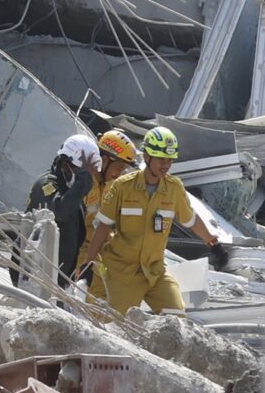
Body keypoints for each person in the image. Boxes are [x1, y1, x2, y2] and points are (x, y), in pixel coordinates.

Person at [74, 126, 224, 316]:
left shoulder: (174, 188)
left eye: (169, 160)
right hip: (122, 272)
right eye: (161, 159)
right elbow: (103, 227)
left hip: (154, 271)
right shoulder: (122, 187)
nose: (165, 165)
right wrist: (88, 263)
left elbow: (190, 220)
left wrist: (213, 243)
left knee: (176, 316)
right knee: (113, 321)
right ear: (146, 157)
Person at [23, 134, 100, 286]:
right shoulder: (46, 184)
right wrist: (83, 181)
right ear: (65, 164)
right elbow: (60, 212)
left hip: (58, 278)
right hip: (36, 277)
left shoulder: (70, 190)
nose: (84, 177)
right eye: (81, 171)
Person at [75, 130, 138, 284]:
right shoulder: (82, 184)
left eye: (123, 170)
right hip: (79, 251)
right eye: (119, 168)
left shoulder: (108, 185)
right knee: (100, 288)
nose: (119, 174)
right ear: (104, 160)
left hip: (97, 249)